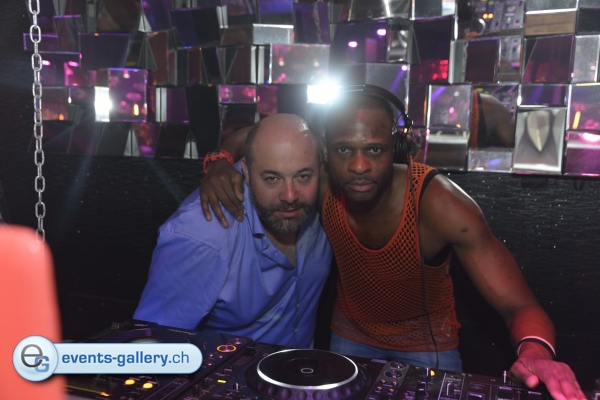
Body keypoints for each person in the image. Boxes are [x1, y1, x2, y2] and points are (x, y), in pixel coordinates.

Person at [199, 87, 585, 400]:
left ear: (398, 148)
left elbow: (518, 303)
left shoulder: (440, 205)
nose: (359, 166)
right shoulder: (321, 181)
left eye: (375, 150)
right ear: (324, 151)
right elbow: (255, 136)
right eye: (344, 149)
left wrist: (536, 353)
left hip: (426, 345)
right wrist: (218, 160)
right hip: (349, 336)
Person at [134, 114, 332, 348]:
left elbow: (269, 133)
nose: (290, 196)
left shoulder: (328, 198)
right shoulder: (200, 237)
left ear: (321, 165)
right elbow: (149, 350)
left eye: (303, 176)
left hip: (304, 367)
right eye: (272, 178)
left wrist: (221, 157)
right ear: (246, 171)